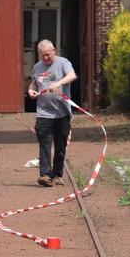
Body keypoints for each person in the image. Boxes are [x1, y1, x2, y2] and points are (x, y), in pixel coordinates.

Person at [26, 39, 77, 187]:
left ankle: (57, 173)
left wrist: (59, 83)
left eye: (48, 55)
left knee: (60, 145)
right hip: (44, 113)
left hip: (62, 113)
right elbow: (34, 82)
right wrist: (30, 90)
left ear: (54, 51)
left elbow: (72, 75)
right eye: (43, 56)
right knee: (45, 142)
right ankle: (46, 175)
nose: (46, 58)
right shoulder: (37, 67)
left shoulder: (63, 63)